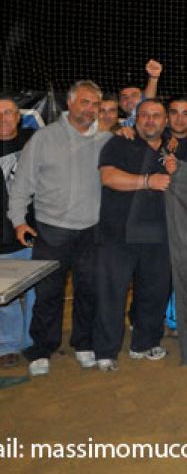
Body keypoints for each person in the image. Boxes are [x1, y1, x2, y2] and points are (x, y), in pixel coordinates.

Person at [8, 81, 111, 376]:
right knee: (48, 294)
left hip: (91, 232)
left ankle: (84, 344)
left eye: (95, 104)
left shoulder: (106, 140)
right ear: (70, 103)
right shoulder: (43, 138)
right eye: (85, 103)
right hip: (51, 231)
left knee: (88, 291)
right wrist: (18, 221)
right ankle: (42, 349)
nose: (90, 109)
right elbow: (21, 185)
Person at [93, 99, 174, 372]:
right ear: (135, 120)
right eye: (145, 115)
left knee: (154, 292)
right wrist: (147, 181)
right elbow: (108, 177)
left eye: (156, 115)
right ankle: (105, 350)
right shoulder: (119, 142)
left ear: (165, 121)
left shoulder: (173, 149)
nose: (150, 120)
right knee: (111, 293)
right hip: (118, 234)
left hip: (159, 234)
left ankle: (145, 342)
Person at [0, 95, 36, 369]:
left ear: (18, 116)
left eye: (8, 112)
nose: (3, 118)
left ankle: (33, 341)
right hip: (1, 237)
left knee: (39, 290)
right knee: (5, 295)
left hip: (34, 231)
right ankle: (8, 344)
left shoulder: (36, 142)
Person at [119, 59, 162, 127]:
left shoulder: (149, 121)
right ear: (119, 103)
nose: (129, 100)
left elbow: (148, 100)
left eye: (134, 95)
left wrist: (153, 78)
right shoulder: (118, 125)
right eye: (124, 97)